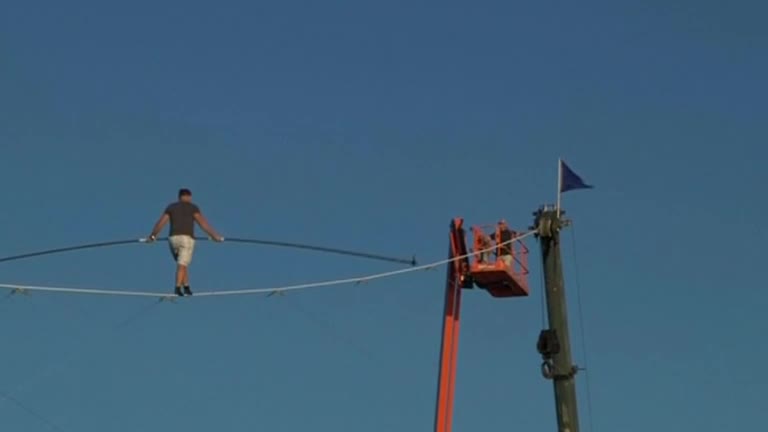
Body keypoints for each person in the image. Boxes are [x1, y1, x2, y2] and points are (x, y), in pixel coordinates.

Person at [146, 188, 223, 296]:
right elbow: (203, 223)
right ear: (190, 197)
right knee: (182, 264)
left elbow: (161, 223)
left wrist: (152, 236)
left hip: (173, 239)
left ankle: (186, 286)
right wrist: (215, 236)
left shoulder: (171, 207)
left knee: (182, 262)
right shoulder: (193, 208)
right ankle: (177, 287)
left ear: (179, 197)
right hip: (186, 239)